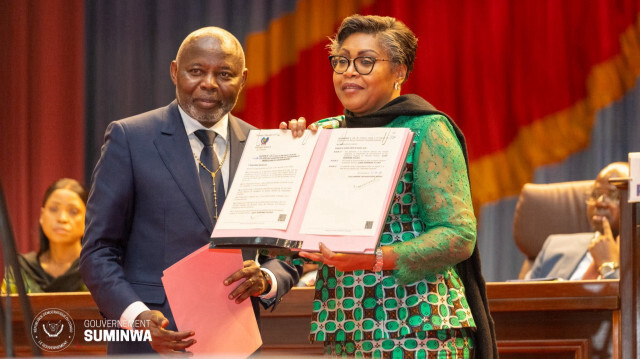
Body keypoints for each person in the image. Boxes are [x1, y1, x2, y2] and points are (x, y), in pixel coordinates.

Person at [281, 14, 497, 359]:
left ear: (399, 72)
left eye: (365, 61)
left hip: (419, 326)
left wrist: (375, 259)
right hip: (346, 326)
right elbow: (293, 234)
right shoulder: (322, 134)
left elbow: (457, 234)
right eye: (341, 60)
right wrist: (290, 154)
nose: (349, 71)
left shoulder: (425, 129)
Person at [80, 27, 300, 355]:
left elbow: (285, 252)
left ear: (242, 79)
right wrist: (136, 317)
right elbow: (98, 251)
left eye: (224, 73)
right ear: (174, 72)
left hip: (236, 340)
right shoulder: (130, 138)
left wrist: (266, 278)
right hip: (153, 342)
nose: (209, 83)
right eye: (196, 71)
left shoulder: (264, 147)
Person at [525, 162, 629, 281]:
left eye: (614, 196)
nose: (599, 202)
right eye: (595, 194)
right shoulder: (554, 247)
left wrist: (608, 266)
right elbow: (521, 297)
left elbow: (630, 298)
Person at [2, 178, 88, 294]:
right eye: (53, 209)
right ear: (42, 216)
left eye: (73, 211)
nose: (62, 219)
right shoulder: (21, 270)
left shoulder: (99, 269)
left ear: (87, 220)